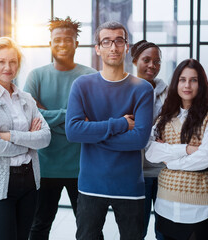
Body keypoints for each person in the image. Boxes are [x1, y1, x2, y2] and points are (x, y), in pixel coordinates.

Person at [65, 21, 154, 240]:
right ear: (98, 48)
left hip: (129, 185)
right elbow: (73, 132)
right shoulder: (81, 85)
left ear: (127, 46)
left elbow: (140, 139)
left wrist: (92, 135)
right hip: (91, 184)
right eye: (106, 41)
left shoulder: (143, 89)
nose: (113, 47)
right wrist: (120, 124)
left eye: (119, 41)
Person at [23, 16, 97, 240]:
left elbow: (92, 120)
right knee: (38, 226)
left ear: (76, 43)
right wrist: (71, 117)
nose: (62, 44)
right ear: (50, 44)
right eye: (57, 40)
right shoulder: (36, 75)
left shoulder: (91, 76)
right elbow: (28, 115)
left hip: (81, 167)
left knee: (89, 230)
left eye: (68, 39)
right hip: (44, 166)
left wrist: (47, 114)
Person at [0, 36, 51, 240]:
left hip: (30, 180)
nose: (8, 67)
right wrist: (28, 142)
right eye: (2, 61)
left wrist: (10, 136)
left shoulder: (26, 98)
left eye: (13, 61)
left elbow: (45, 138)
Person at [145, 59, 208, 240]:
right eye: (182, 79)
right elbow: (150, 152)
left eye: (193, 80)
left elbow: (205, 158)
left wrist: (169, 159)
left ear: (201, 84)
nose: (187, 85)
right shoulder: (165, 116)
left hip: (197, 204)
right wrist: (187, 149)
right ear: (176, 83)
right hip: (166, 201)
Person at [131, 40, 166, 240]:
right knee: (136, 230)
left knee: (164, 230)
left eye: (157, 61)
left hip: (163, 171)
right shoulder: (125, 89)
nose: (152, 65)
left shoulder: (169, 94)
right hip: (136, 171)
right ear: (135, 60)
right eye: (146, 60)